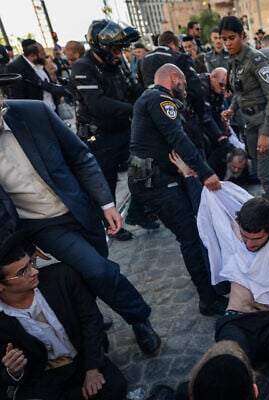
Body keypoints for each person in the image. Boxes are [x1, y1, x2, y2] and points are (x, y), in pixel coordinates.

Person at [0, 74, 160, 356]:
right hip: (43, 225)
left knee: (94, 271)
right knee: (96, 269)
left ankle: (93, 322)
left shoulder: (33, 112)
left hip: (82, 208)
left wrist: (106, 204)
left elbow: (80, 156)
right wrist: (20, 245)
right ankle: (138, 318)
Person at [128, 63, 228, 317]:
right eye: (182, 82)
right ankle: (208, 299)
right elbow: (177, 137)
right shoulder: (160, 99)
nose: (185, 88)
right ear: (174, 78)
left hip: (152, 177)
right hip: (157, 181)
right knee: (190, 237)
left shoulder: (149, 98)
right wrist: (205, 172)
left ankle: (210, 287)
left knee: (191, 232)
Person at [197, 194, 269, 400]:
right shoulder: (233, 241)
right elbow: (211, 200)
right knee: (228, 359)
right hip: (238, 322)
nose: (249, 244)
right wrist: (203, 178)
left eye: (257, 239)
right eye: (246, 237)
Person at [0, 232, 127, 399]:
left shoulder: (62, 277)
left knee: (114, 388)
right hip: (44, 379)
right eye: (23, 271)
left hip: (82, 361)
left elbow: (91, 320)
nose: (34, 271)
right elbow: (7, 374)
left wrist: (92, 369)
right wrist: (14, 371)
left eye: (31, 263)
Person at [71, 20, 150, 241]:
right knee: (107, 183)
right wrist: (133, 108)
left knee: (144, 167)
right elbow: (96, 103)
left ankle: (138, 210)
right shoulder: (82, 67)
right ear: (102, 47)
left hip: (123, 130)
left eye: (121, 49)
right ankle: (111, 224)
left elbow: (132, 88)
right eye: (115, 49)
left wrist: (149, 96)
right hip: (99, 137)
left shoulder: (117, 63)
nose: (119, 54)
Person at [220, 16, 269, 206]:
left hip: (266, 121)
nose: (227, 43)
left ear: (242, 35)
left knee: (267, 174)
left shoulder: (256, 60)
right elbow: (240, 92)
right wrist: (232, 109)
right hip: (249, 122)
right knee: (262, 171)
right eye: (224, 39)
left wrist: (265, 134)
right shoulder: (234, 60)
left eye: (231, 38)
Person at [6, 39, 66, 111]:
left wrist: (52, 74)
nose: (45, 56)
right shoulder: (16, 67)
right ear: (32, 56)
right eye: (42, 54)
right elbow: (17, 96)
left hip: (52, 108)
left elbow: (49, 82)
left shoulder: (40, 63)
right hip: (36, 112)